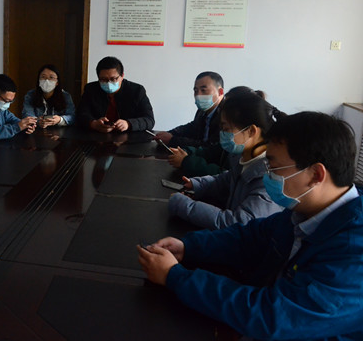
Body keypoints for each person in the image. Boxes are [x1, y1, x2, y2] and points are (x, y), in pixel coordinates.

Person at [137, 112, 363, 341]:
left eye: (274, 168)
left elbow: (274, 317)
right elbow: (251, 237)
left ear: (315, 174)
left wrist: (176, 277)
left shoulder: (354, 253)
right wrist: (188, 247)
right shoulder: (303, 212)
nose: (267, 176)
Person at [167, 91, 283, 229]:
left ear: (251, 131)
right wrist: (198, 184)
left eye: (226, 129)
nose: (222, 134)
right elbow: (227, 179)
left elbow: (237, 223)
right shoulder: (243, 156)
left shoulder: (271, 177)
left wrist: (184, 205)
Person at [167, 86, 261, 178]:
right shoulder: (234, 142)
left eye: (226, 128)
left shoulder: (253, 158)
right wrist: (186, 151)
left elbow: (224, 176)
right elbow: (209, 152)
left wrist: (186, 161)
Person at [76, 56, 154, 133]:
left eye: (113, 79)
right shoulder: (91, 89)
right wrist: (94, 124)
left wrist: (128, 124)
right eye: (103, 79)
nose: (108, 83)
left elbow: (149, 120)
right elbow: (80, 115)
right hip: (98, 135)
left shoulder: (137, 91)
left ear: (122, 76)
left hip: (128, 136)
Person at [154, 71, 224, 148]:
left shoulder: (227, 115)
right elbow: (192, 127)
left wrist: (172, 140)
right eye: (196, 91)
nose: (198, 95)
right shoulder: (203, 110)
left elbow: (209, 147)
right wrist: (170, 133)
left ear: (220, 92)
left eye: (203, 90)